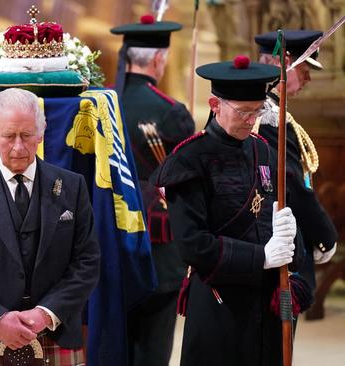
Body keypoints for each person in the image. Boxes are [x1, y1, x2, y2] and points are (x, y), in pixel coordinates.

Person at [151, 57, 309, 366]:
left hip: (266, 303)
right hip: (219, 304)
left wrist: (292, 241)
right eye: (243, 112)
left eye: (257, 111)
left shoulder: (263, 149)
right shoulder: (189, 160)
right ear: (215, 104)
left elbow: (273, 213)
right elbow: (193, 245)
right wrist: (262, 257)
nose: (251, 121)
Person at [0, 88, 100, 365]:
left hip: (54, 333)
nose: (18, 147)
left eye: (26, 135)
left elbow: (87, 262)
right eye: (9, 136)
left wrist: (46, 313)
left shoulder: (73, 187)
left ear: (41, 132)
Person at [110, 14, 195, 366]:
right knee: (153, 348)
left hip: (110, 240)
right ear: (160, 59)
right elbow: (188, 182)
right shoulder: (171, 112)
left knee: (113, 343)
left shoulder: (100, 105)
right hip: (157, 245)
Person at [254, 30, 338, 290]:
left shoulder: (267, 109)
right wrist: (326, 236)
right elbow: (291, 185)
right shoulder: (267, 116)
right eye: (305, 70)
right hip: (277, 242)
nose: (309, 79)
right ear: (286, 63)